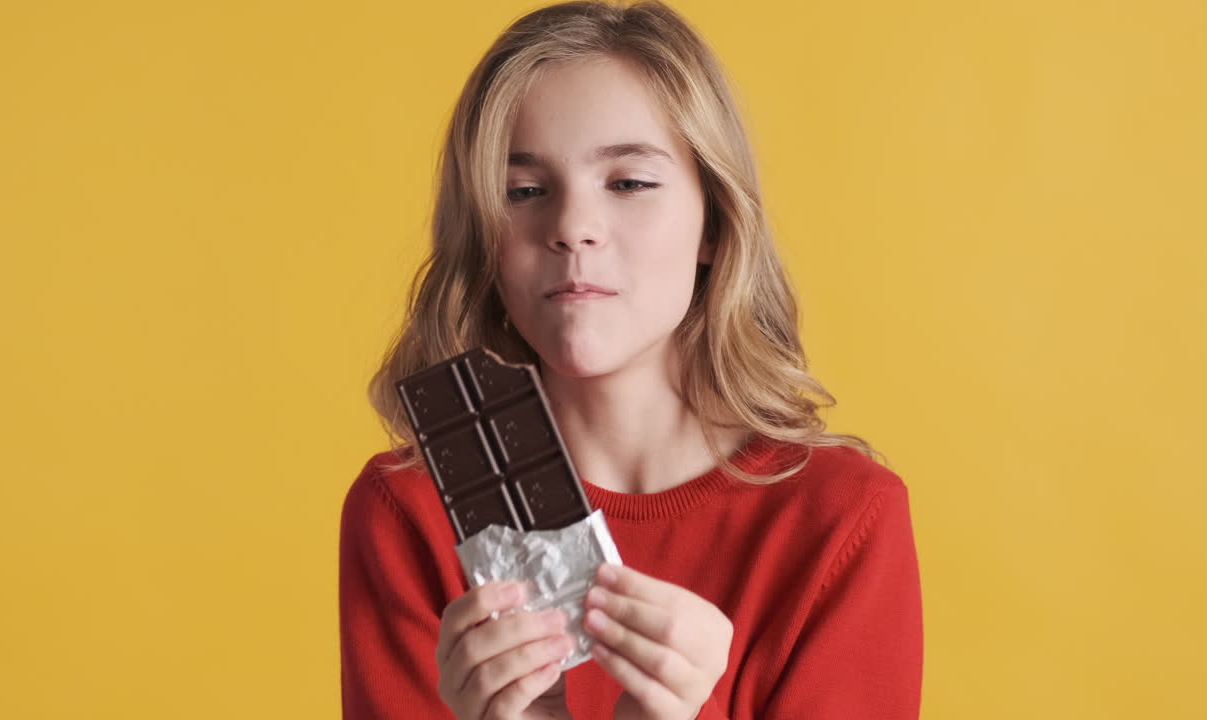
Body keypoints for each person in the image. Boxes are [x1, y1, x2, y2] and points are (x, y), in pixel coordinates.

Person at [339, 1, 923, 718]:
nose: (573, 228)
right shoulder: (410, 514)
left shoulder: (840, 519)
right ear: (484, 238)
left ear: (714, 220)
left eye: (629, 183)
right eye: (523, 192)